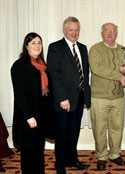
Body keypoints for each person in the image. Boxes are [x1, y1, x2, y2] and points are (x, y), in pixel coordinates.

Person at [47, 16, 91, 174]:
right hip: (63, 100)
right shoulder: (55, 47)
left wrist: (86, 98)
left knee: (74, 132)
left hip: (79, 98)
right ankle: (59, 164)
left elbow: (85, 74)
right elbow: (53, 75)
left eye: (77, 29)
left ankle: (72, 160)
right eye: (71, 30)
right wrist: (62, 98)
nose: (74, 33)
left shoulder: (83, 48)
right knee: (62, 133)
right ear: (64, 30)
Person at [88, 23, 125, 170]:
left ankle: (114, 154)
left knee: (117, 128)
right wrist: (120, 75)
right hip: (99, 97)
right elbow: (97, 68)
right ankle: (101, 156)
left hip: (118, 97)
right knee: (99, 128)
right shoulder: (95, 49)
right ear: (102, 33)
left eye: (113, 31)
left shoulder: (123, 50)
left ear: (117, 33)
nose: (110, 34)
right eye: (107, 31)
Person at [10, 32, 49, 174]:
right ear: (26, 46)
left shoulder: (42, 66)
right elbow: (19, 94)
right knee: (28, 154)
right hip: (27, 117)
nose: (37, 46)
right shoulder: (19, 66)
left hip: (40, 117)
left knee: (39, 151)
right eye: (33, 43)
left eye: (39, 42)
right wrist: (29, 116)